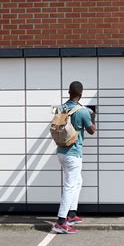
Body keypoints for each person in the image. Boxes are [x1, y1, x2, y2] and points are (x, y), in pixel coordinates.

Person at [52, 81, 96, 234]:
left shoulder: (61, 108)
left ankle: (71, 214)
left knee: (77, 181)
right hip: (73, 154)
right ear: (81, 94)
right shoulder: (83, 111)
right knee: (70, 186)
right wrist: (93, 116)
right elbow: (92, 130)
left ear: (69, 92)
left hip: (61, 151)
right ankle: (60, 222)